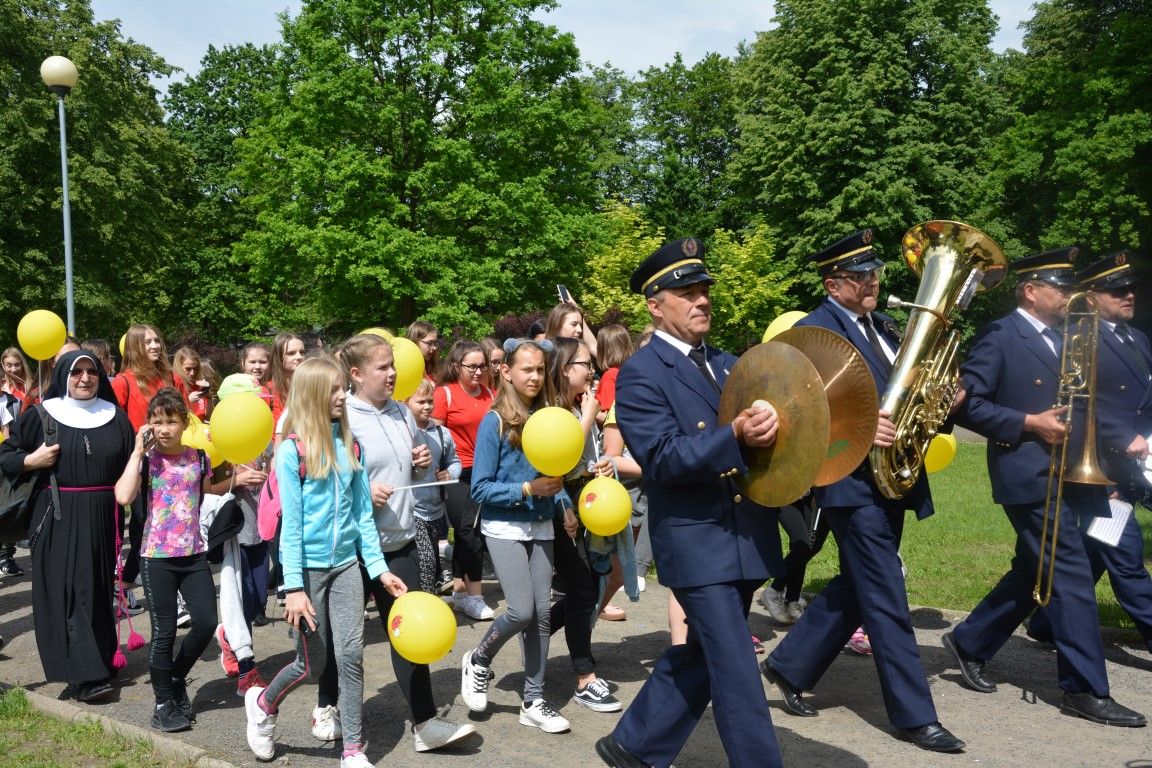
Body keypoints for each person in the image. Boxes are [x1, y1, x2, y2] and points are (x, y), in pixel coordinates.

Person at [762, 229, 964, 753]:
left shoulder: (885, 327)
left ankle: (790, 664)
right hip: (849, 484)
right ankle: (915, 716)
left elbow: (905, 391)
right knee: (886, 594)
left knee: (860, 582)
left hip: (889, 478)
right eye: (860, 276)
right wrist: (859, 427)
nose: (873, 282)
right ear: (833, 283)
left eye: (874, 272)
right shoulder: (810, 332)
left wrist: (940, 398)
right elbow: (792, 412)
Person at [595, 238, 784, 768]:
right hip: (696, 542)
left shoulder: (730, 365)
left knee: (704, 651)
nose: (701, 300)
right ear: (655, 306)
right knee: (736, 668)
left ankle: (633, 743)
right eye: (687, 293)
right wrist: (736, 435)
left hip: (743, 535)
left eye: (704, 291)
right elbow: (661, 458)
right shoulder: (641, 372)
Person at [943, 249, 1146, 726]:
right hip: (1030, 473)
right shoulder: (1000, 335)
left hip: (1076, 472)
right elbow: (967, 405)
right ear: (1030, 291)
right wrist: (1029, 422)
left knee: (1032, 569)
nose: (1069, 295)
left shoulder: (1066, 337)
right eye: (1060, 287)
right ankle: (1083, 689)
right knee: (1070, 574)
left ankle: (970, 640)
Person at [242, 357, 407, 768]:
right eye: (333, 389)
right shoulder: (292, 452)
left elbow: (362, 517)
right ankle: (263, 705)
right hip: (307, 573)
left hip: (347, 567)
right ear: (313, 394)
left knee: (351, 655)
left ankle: (352, 749)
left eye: (342, 388)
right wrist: (294, 588)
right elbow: (292, 527)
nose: (342, 396)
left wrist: (379, 569)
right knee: (310, 665)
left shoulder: (352, 446)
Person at [333, 334, 475, 753]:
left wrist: (421, 463)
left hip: (401, 541)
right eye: (382, 367)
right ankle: (328, 708)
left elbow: (411, 472)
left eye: (392, 365)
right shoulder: (342, 415)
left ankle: (426, 724)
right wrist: (363, 490)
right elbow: (326, 481)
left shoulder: (402, 413)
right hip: (352, 549)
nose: (393, 373)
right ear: (357, 374)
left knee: (409, 632)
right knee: (343, 641)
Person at [1028, 252, 1152, 653]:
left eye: (1130, 288)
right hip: (1100, 467)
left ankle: (1045, 623)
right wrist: (1121, 435)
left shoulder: (1137, 339)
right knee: (1127, 559)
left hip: (1133, 467)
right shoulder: (1077, 339)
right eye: (1118, 290)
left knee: (1096, 549)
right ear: (1093, 296)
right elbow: (1077, 403)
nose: (1129, 295)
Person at [0, 350, 134, 702]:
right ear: (63, 375)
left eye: (92, 371)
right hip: (56, 514)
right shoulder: (41, 415)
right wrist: (32, 460)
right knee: (70, 591)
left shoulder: (116, 418)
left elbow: (134, 466)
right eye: (77, 372)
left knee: (97, 588)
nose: (85, 378)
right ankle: (85, 675)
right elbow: (6, 456)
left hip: (103, 514)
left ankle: (102, 658)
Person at [459, 338, 574, 733]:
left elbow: (554, 473)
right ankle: (479, 659)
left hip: (541, 525)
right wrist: (526, 489)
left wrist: (564, 505)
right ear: (506, 372)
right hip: (504, 527)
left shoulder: (549, 418)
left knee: (541, 615)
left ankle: (533, 700)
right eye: (527, 369)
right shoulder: (493, 422)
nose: (535, 377)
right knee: (521, 611)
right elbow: (480, 488)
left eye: (540, 370)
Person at [114, 388, 223, 732]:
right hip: (156, 557)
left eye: (171, 421)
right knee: (164, 632)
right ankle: (163, 704)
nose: (163, 429)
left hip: (193, 554)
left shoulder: (200, 457)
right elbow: (123, 495)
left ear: (185, 423)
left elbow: (205, 496)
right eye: (157, 421)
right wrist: (136, 452)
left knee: (206, 623)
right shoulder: (146, 460)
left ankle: (175, 678)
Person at [544, 336, 624, 712]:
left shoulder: (581, 403)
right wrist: (590, 415)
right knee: (580, 591)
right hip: (560, 508)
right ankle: (584, 677)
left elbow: (587, 458)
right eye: (584, 365)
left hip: (588, 503)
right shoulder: (552, 410)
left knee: (588, 591)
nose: (591, 371)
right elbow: (559, 462)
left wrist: (602, 466)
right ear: (564, 369)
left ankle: (534, 631)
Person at [433, 340, 496, 620]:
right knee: (470, 530)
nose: (478, 372)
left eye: (483, 366)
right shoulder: (444, 394)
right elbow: (432, 436)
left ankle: (460, 592)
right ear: (457, 366)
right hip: (457, 474)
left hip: (486, 473)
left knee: (466, 532)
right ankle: (475, 596)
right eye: (472, 366)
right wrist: (439, 468)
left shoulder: (492, 394)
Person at [406, 379, 460, 593]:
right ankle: (426, 602)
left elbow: (454, 461)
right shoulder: (403, 432)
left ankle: (430, 594)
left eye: (430, 401)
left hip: (436, 508)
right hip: (413, 509)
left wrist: (450, 473)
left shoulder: (441, 432)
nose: (427, 406)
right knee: (426, 561)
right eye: (421, 402)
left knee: (433, 560)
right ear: (406, 402)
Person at [267, 332, 306, 430]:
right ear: (278, 357)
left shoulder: (309, 388)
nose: (299, 357)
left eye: (302, 352)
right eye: (291, 353)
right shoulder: (267, 391)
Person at [172, 347, 214, 421]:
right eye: (188, 369)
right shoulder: (175, 383)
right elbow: (173, 418)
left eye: (195, 368)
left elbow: (209, 417)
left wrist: (209, 397)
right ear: (179, 367)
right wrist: (189, 402)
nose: (192, 373)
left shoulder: (198, 383)